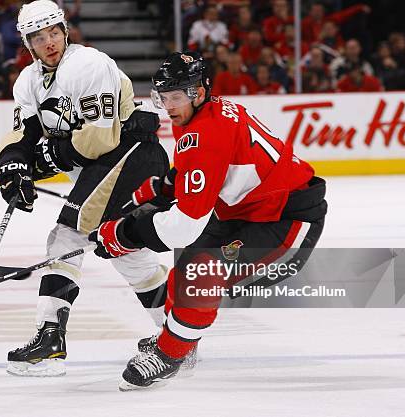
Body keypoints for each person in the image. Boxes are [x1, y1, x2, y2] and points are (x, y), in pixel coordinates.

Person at [88, 51, 328, 390]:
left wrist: (125, 234)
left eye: (175, 97)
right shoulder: (203, 114)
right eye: (163, 96)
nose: (168, 106)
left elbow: (186, 224)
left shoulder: (206, 133)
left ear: (198, 93)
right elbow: (201, 170)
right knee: (181, 274)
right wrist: (160, 189)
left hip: (287, 221)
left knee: (199, 275)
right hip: (245, 210)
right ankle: (180, 343)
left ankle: (171, 354)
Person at [0, 0, 169, 377]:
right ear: (28, 43)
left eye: (54, 32)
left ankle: (50, 336)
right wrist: (12, 166)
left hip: (132, 156)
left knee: (67, 233)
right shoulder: (27, 81)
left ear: (64, 30)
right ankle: (178, 334)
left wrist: (40, 163)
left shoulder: (88, 64)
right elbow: (23, 135)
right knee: (123, 252)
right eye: (38, 37)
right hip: (104, 168)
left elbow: (99, 139)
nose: (49, 42)